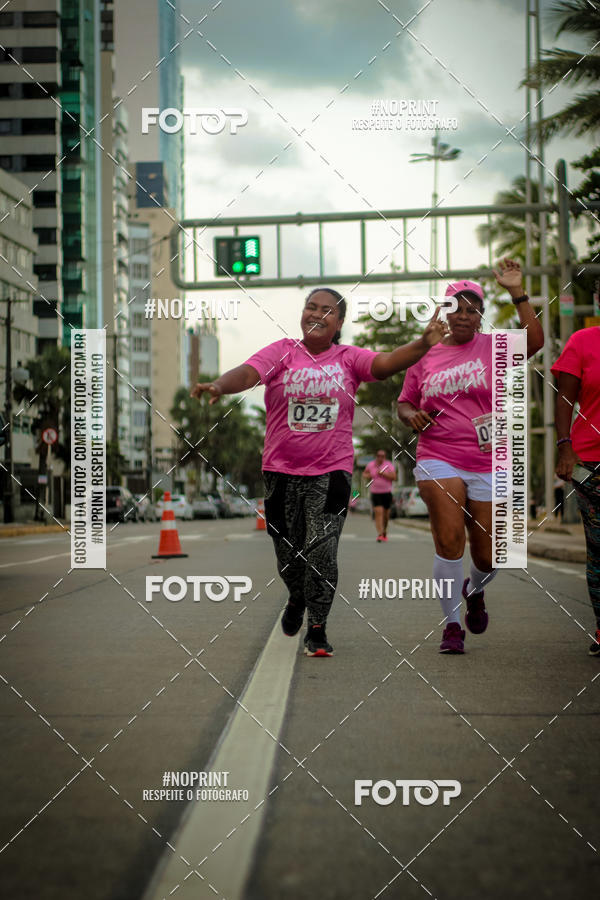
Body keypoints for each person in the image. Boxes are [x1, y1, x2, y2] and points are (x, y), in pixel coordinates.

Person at [191, 288, 447, 657]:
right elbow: (248, 374)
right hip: (280, 471)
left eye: (327, 310)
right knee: (288, 554)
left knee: (323, 550)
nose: (317, 314)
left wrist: (423, 343)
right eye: (311, 306)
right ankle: (296, 595)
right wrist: (218, 385)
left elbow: (386, 362)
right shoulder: (282, 352)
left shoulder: (348, 358)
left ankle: (317, 628)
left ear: (339, 323)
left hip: (332, 471)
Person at [397, 259, 544, 653]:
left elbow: (535, 342)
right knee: (449, 541)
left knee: (491, 554)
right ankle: (450, 626)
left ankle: (474, 590)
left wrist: (517, 291)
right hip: (437, 453)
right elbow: (405, 402)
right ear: (443, 313)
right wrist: (412, 416)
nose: (463, 315)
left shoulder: (496, 347)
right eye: (454, 308)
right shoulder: (424, 354)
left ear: (480, 316)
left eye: (471, 309)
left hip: (490, 460)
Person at [552, 323, 600, 656]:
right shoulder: (582, 342)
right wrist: (565, 447)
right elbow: (565, 398)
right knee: (598, 548)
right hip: (591, 463)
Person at [362, 450, 397, 542]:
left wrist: (383, 474)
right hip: (375, 492)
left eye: (382, 456)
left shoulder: (389, 465)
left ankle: (384, 530)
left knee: (386, 514)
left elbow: (394, 477)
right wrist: (370, 475)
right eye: (378, 456)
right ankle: (380, 534)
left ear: (385, 457)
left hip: (387, 492)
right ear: (376, 456)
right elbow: (364, 474)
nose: (380, 457)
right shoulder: (370, 465)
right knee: (378, 512)